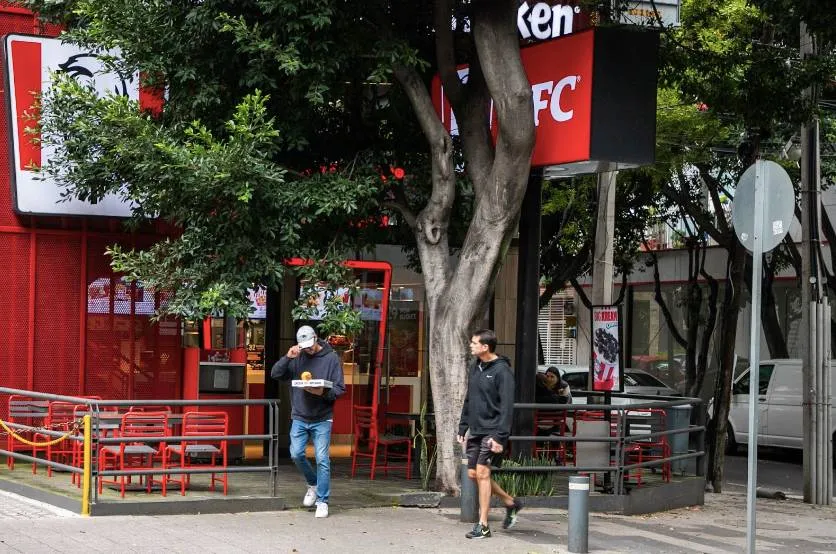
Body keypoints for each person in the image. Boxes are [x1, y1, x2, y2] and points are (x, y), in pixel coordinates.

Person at [271, 325, 345, 518]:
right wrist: (288, 357)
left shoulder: (331, 358)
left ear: (316, 338)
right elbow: (275, 374)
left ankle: (323, 501)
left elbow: (339, 388)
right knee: (295, 454)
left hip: (322, 417)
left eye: (310, 345)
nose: (308, 349)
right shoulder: (298, 357)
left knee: (322, 459)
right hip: (300, 415)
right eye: (303, 346)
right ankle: (312, 483)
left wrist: (324, 392)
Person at [457, 329, 521, 539]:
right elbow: (470, 398)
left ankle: (483, 525)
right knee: (473, 474)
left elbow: (507, 408)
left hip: (493, 431)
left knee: (483, 473)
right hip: (476, 429)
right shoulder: (476, 367)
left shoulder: (502, 372)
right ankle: (511, 502)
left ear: (485, 347)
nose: (471, 346)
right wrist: (463, 426)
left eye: (474, 343)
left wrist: (500, 437)